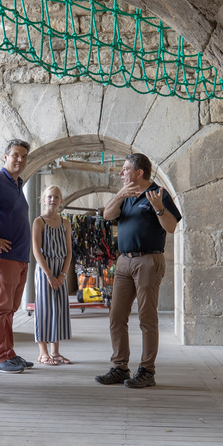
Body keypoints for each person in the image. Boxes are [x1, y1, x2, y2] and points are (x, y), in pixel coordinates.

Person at [95, 153, 181, 388]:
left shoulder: (159, 193)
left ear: (138, 172)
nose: (121, 173)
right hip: (124, 262)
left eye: (125, 169)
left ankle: (147, 371)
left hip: (148, 261)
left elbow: (171, 227)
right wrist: (120, 195)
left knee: (146, 317)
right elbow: (107, 215)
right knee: (116, 316)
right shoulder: (125, 195)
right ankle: (120, 367)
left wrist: (159, 208)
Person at [0, 139, 34, 373]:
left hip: (19, 256)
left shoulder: (17, 183)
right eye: (15, 155)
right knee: (0, 307)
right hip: (4, 256)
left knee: (10, 308)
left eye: (24, 156)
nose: (20, 159)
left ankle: (8, 353)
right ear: (5, 157)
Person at [31, 186, 73, 365]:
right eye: (49, 197)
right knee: (44, 309)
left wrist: (63, 274)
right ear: (43, 199)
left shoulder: (66, 223)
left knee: (59, 309)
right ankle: (43, 353)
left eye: (56, 197)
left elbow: (69, 252)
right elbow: (36, 251)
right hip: (45, 270)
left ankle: (55, 352)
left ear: (61, 201)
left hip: (60, 270)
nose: (52, 200)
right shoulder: (39, 222)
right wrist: (49, 275)